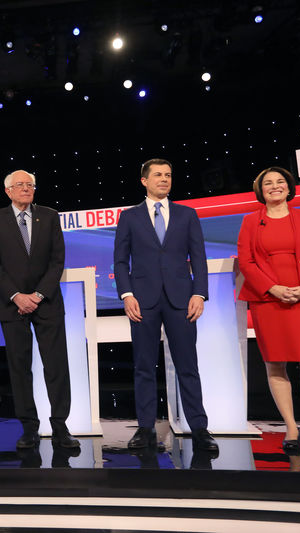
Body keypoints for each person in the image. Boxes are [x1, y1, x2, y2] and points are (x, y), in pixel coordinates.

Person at [113, 159, 218, 453]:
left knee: (188, 365)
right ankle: (145, 429)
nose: (164, 179)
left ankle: (199, 428)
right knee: (144, 366)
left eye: (168, 175)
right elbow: (120, 261)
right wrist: (126, 294)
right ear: (144, 180)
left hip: (181, 299)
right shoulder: (129, 216)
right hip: (142, 301)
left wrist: (199, 293)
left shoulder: (187, 214)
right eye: (158, 175)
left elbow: (198, 257)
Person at [237, 166, 300, 457]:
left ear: (290, 188)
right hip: (270, 302)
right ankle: (291, 428)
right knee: (275, 364)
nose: (275, 186)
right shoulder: (250, 221)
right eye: (268, 183)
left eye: (281, 182)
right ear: (260, 190)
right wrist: (273, 288)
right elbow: (247, 262)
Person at [0, 170, 79, 450]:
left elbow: (56, 260)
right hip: (11, 305)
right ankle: (29, 429)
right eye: (20, 185)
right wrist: (16, 296)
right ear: (8, 191)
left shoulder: (49, 216)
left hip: (46, 302)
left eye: (30, 185)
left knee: (56, 366)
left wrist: (36, 295)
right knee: (20, 369)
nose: (26, 189)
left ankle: (60, 426)